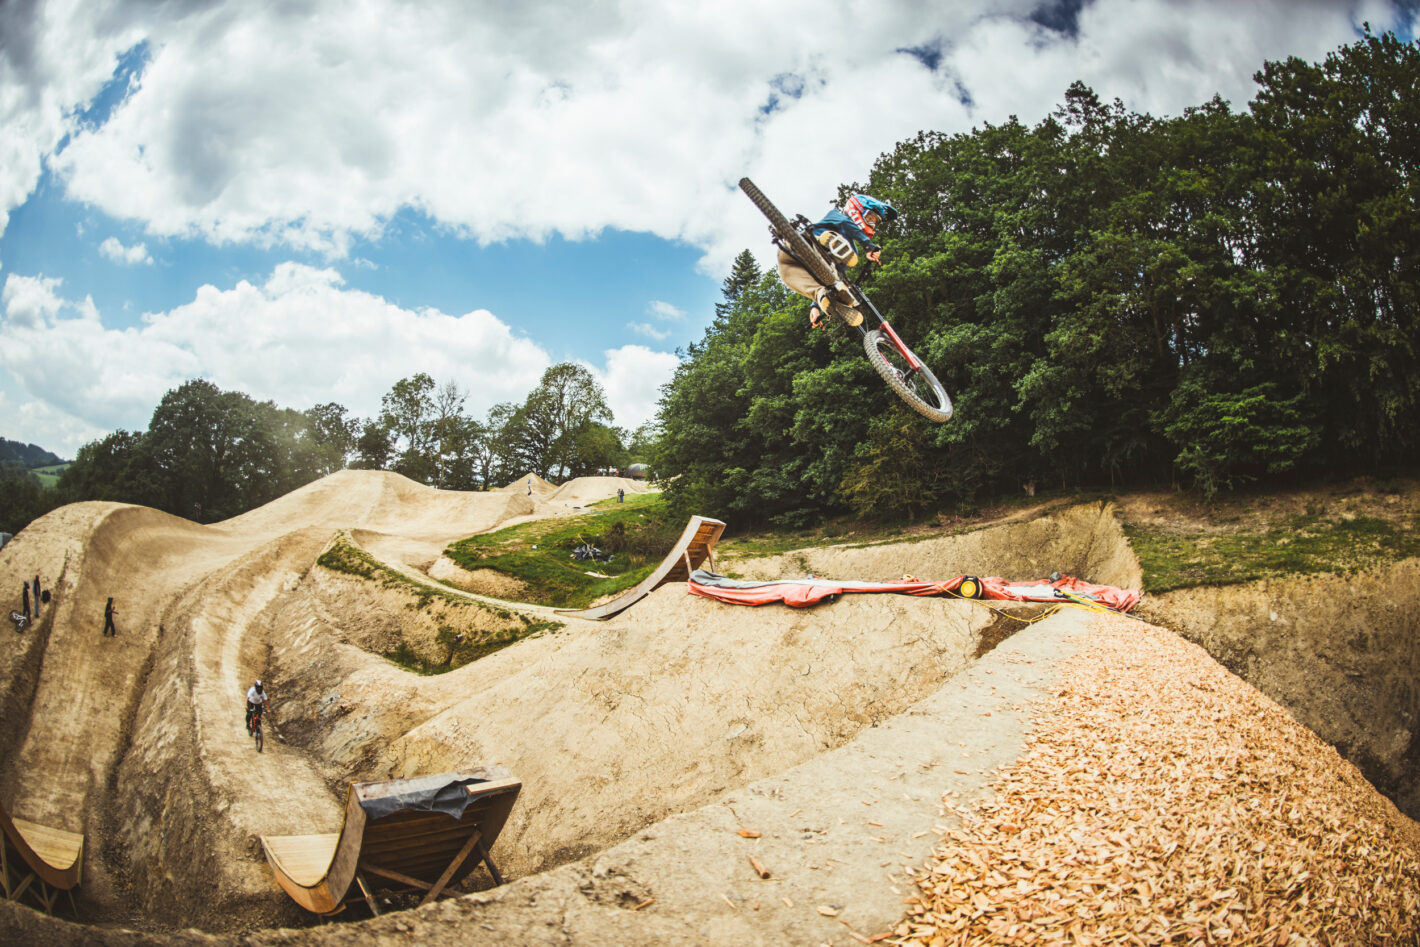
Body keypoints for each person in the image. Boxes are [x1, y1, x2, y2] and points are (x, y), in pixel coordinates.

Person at [776, 193, 899, 330]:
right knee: (786, 274)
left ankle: (826, 299)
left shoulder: (851, 252)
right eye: (869, 217)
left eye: (874, 222)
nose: (871, 223)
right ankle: (827, 241)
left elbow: (834, 275)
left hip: (808, 264)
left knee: (818, 284)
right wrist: (868, 246)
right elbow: (845, 224)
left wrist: (815, 307)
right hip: (799, 245)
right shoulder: (837, 216)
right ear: (857, 209)